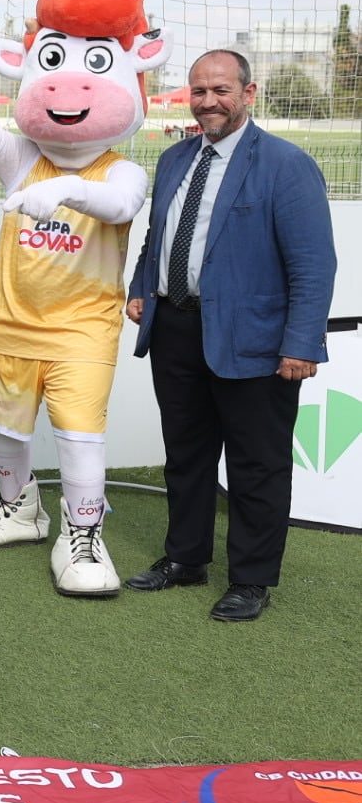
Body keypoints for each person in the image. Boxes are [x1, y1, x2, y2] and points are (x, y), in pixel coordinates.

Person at [0, 0, 168, 598]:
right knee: (6, 430)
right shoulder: (22, 159)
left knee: (78, 435)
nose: (70, 87)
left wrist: (65, 190)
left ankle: (84, 533)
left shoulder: (121, 168)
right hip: (13, 323)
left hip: (80, 331)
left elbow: (118, 207)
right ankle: (20, 511)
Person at [124, 50, 336, 622]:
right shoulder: (172, 160)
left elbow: (314, 265)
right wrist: (143, 290)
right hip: (175, 332)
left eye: (220, 90)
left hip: (257, 342)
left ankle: (250, 579)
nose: (208, 101)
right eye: (199, 91)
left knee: (256, 465)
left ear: (249, 92)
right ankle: (185, 559)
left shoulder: (285, 165)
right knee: (186, 456)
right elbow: (158, 240)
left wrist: (300, 344)